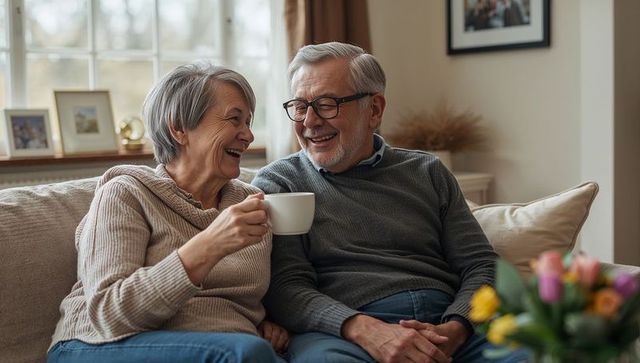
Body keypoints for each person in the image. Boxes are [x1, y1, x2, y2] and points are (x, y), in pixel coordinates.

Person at [252, 42, 528, 363]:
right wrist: (366, 330)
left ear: (374, 110)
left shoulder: (428, 171)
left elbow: (481, 265)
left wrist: (457, 328)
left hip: (448, 325)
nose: (310, 121)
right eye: (300, 106)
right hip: (344, 332)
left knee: (543, 353)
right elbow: (286, 287)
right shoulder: (279, 183)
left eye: (327, 104)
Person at [47, 63, 289, 363]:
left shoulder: (250, 202)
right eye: (234, 120)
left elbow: (234, 301)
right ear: (179, 128)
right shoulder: (126, 193)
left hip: (215, 347)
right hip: (96, 343)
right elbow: (109, 313)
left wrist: (259, 324)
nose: (248, 136)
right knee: (244, 353)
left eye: (249, 123)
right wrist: (209, 245)